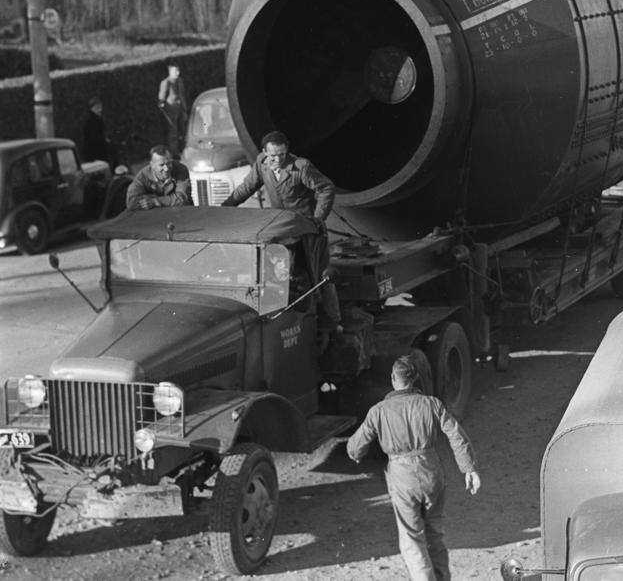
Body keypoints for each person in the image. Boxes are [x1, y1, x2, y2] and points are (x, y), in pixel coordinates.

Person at [347, 356, 481, 581]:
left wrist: (356, 454)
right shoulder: (432, 404)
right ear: (415, 379)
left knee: (412, 538)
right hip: (432, 471)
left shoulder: (379, 411)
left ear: (393, 379)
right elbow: (456, 435)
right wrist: (469, 468)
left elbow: (355, 446)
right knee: (435, 533)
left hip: (402, 477)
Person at [221, 131, 341, 339]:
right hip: (281, 229)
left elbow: (326, 188)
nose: (278, 160)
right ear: (264, 153)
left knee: (320, 277)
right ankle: (288, 321)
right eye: (274, 156)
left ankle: (332, 323)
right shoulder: (261, 163)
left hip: (307, 230)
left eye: (283, 155)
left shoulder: (301, 167)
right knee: (280, 274)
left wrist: (318, 219)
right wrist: (225, 207)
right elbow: (247, 187)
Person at [126, 145, 193, 211]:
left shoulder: (180, 169)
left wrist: (156, 201)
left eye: (169, 163)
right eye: (161, 165)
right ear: (152, 165)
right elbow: (131, 202)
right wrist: (169, 199)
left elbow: (183, 198)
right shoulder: (142, 177)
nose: (166, 169)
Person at [157, 63, 189, 156]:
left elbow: (182, 95)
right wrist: (163, 106)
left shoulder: (179, 80)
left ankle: (185, 149)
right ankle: (174, 152)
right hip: (171, 110)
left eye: (178, 71)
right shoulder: (166, 82)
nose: (178, 73)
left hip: (181, 108)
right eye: (175, 71)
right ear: (170, 72)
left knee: (184, 130)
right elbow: (161, 98)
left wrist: (185, 108)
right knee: (173, 132)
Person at [81, 96, 116, 164]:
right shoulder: (94, 120)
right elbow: (95, 137)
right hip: (96, 155)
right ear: (92, 108)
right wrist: (105, 141)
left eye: (100, 107)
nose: (100, 110)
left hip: (91, 154)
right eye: (97, 108)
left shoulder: (90, 119)